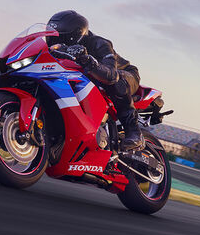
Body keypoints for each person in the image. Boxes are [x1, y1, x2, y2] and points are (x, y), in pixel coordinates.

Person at [46, 10, 145, 151]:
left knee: (117, 82)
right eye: (52, 36)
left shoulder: (99, 43)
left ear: (74, 35)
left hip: (127, 75)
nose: (55, 41)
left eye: (60, 37)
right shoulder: (55, 50)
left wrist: (87, 60)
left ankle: (134, 132)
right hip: (92, 77)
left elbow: (111, 75)